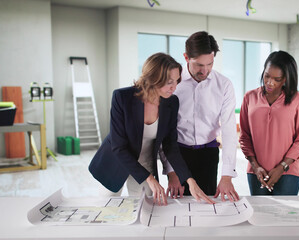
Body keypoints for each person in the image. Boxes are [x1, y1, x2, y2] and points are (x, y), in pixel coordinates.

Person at [89, 52, 214, 206]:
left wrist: (189, 180)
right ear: (154, 79)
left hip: (145, 162)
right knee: (106, 207)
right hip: (116, 161)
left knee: (145, 208)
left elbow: (170, 146)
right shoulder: (122, 98)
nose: (174, 87)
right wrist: (150, 179)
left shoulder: (171, 102)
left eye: (176, 81)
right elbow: (119, 147)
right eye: (169, 82)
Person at [161, 31, 239, 202]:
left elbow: (228, 130)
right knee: (179, 205)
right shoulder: (173, 84)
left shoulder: (224, 85)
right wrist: (171, 171)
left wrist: (227, 176)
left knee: (207, 204)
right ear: (186, 57)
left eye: (210, 64)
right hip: (178, 153)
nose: (205, 70)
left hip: (208, 154)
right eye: (198, 65)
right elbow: (164, 130)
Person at [239, 50, 299, 195]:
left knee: (284, 216)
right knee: (259, 216)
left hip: (288, 173)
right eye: (267, 76)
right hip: (256, 172)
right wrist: (255, 166)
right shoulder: (249, 97)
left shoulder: (297, 99)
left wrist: (282, 167)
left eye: (277, 79)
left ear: (286, 79)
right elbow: (244, 137)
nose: (269, 82)